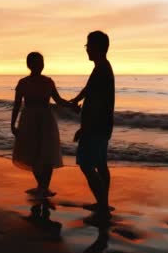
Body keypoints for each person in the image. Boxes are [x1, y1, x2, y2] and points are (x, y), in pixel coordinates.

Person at [11, 52, 73, 200]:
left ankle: (44, 187)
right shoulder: (23, 83)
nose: (41, 65)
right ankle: (41, 186)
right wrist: (12, 124)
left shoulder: (48, 81)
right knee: (32, 153)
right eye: (38, 62)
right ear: (30, 65)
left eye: (42, 62)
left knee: (47, 153)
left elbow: (58, 100)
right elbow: (17, 105)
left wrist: (72, 105)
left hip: (46, 120)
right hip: (28, 121)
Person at [70, 30, 115, 221]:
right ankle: (102, 203)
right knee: (100, 164)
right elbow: (89, 90)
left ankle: (103, 206)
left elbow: (96, 103)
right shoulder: (102, 67)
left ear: (97, 47)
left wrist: (84, 128)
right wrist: (75, 100)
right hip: (104, 125)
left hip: (95, 126)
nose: (86, 49)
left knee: (87, 165)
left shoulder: (101, 69)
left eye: (88, 45)